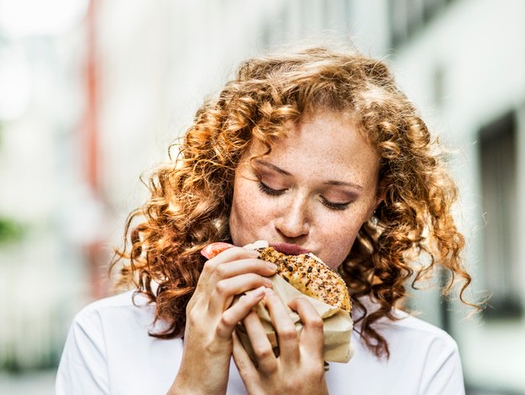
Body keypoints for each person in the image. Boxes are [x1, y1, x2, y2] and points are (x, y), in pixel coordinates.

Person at [55, 45, 474, 394]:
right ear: (227, 175)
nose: (293, 223)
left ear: (375, 205)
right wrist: (193, 385)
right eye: (271, 186)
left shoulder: (422, 360)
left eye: (335, 200)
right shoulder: (108, 337)